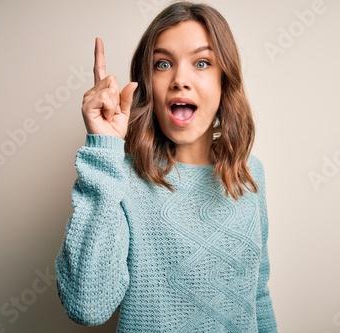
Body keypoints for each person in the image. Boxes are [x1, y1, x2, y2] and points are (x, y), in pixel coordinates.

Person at [55, 2, 277, 332]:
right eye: (163, 64)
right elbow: (88, 305)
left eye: (202, 63)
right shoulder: (122, 176)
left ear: (223, 82)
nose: (180, 80)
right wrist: (104, 150)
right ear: (148, 84)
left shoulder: (249, 174)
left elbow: (257, 296)